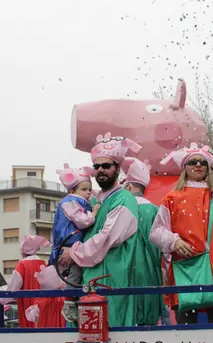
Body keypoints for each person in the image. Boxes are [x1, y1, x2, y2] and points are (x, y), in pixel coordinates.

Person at [150, 143, 213, 324]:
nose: (198, 165)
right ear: (184, 168)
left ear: (208, 168)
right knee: (185, 330)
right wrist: (174, 242)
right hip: (184, 270)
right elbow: (156, 232)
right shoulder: (171, 198)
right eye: (193, 162)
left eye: (202, 162)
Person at [58, 133, 142, 327]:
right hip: (88, 286)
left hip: (110, 286)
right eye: (97, 167)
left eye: (106, 166)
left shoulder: (124, 200)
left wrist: (74, 252)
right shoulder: (95, 201)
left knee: (109, 332)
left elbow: (106, 239)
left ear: (118, 169)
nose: (101, 170)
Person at [51, 163, 98, 321]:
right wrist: (94, 213)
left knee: (75, 276)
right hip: (69, 247)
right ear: (72, 190)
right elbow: (82, 221)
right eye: (84, 189)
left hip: (69, 245)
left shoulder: (71, 201)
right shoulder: (71, 202)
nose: (88, 193)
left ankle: (72, 303)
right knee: (74, 276)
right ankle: (69, 305)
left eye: (89, 189)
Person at [121, 157, 164, 326]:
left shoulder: (121, 208)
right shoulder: (154, 209)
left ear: (130, 186)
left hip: (124, 267)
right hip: (149, 270)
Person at [0, 235, 50, 328]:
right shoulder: (43, 264)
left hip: (27, 309)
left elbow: (12, 289)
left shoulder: (22, 265)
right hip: (43, 308)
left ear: (23, 251)